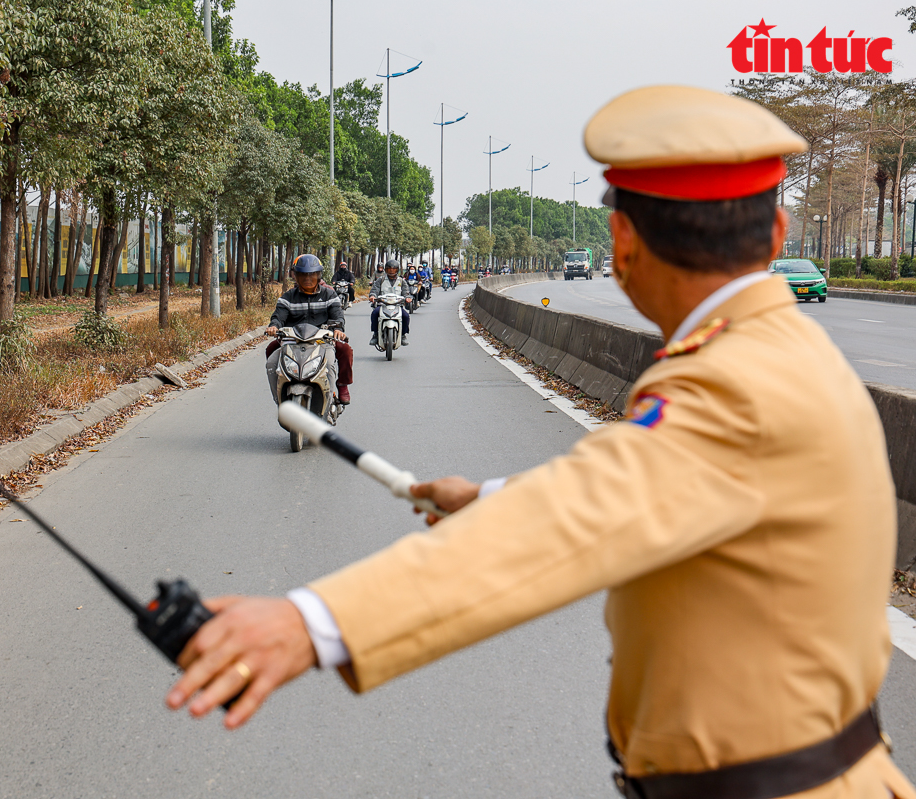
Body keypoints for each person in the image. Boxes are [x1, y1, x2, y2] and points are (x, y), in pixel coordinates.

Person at [166, 85, 916, 799]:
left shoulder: (733, 384)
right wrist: (489, 497)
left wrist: (311, 623)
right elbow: (653, 489)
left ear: (620, 240)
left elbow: (581, 512)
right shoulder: (784, 350)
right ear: (777, 233)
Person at [265, 254, 353, 405]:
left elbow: (337, 315)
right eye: (303, 275)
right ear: (296, 277)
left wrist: (338, 328)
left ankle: (337, 390)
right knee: (271, 361)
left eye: (312, 275)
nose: (307, 279)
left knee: (341, 354)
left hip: (321, 341)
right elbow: (279, 316)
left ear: (319, 275)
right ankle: (280, 399)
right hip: (293, 341)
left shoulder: (329, 294)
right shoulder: (288, 297)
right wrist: (274, 326)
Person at [368, 259, 410, 347]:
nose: (391, 271)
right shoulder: (381, 280)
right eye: (389, 269)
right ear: (385, 270)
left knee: (406, 316)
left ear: (397, 270)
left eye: (393, 269)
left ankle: (403, 335)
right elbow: (374, 290)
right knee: (375, 313)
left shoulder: (401, 281)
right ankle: (375, 334)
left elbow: (406, 292)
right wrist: (372, 296)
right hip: (383, 305)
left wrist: (407, 298)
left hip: (397, 306)